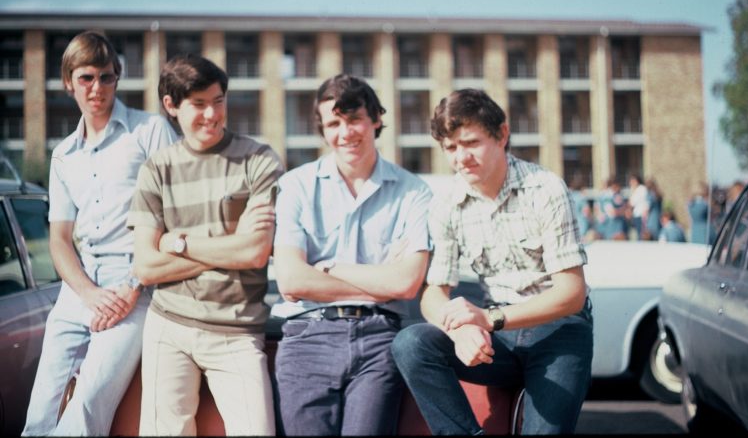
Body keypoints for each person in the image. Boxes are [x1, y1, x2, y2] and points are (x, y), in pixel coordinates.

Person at [391, 89, 593, 435]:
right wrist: (461, 327)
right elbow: (433, 292)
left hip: (560, 330)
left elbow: (571, 293)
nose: (461, 158)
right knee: (410, 344)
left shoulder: (545, 189)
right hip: (497, 337)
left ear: (502, 134)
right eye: (451, 148)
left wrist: (488, 318)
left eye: (470, 142)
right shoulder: (446, 205)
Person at [23, 31, 177, 436]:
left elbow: (173, 217)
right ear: (69, 82)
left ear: (117, 78)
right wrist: (88, 294)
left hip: (136, 289)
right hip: (78, 291)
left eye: (106, 77)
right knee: (39, 412)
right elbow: (59, 240)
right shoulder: (63, 155)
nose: (97, 88)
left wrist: (131, 287)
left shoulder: (150, 132)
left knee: (89, 405)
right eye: (87, 78)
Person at [127, 55, 283, 435]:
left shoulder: (258, 160)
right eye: (199, 104)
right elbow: (146, 267)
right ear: (171, 106)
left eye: (218, 101)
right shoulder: (156, 169)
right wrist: (230, 244)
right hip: (169, 328)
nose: (212, 115)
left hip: (238, 330)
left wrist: (176, 242)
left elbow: (255, 252)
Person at [271, 73, 432, 435]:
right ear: (323, 130)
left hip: (380, 340)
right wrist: (379, 283)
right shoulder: (295, 185)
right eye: (334, 123)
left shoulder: (413, 192)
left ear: (375, 119)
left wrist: (329, 269)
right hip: (306, 337)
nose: (346, 132)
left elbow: (407, 284)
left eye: (355, 118)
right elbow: (291, 280)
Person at [628, 172, 649, 240]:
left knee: (641, 233)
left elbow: (632, 202)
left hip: (641, 215)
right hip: (636, 214)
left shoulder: (641, 189)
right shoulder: (635, 189)